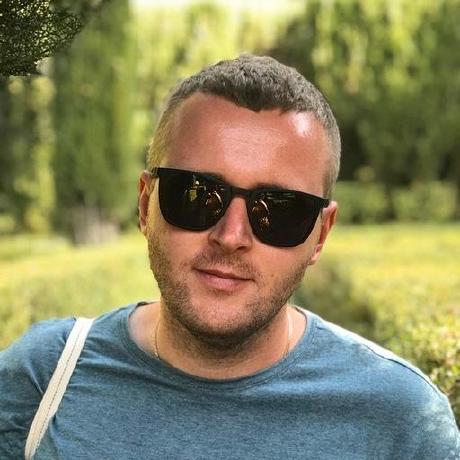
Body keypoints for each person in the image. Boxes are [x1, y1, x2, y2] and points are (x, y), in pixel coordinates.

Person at [0, 55, 458, 459]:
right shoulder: (44, 377)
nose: (231, 236)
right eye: (196, 194)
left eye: (279, 210)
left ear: (320, 234)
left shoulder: (403, 422)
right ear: (145, 205)